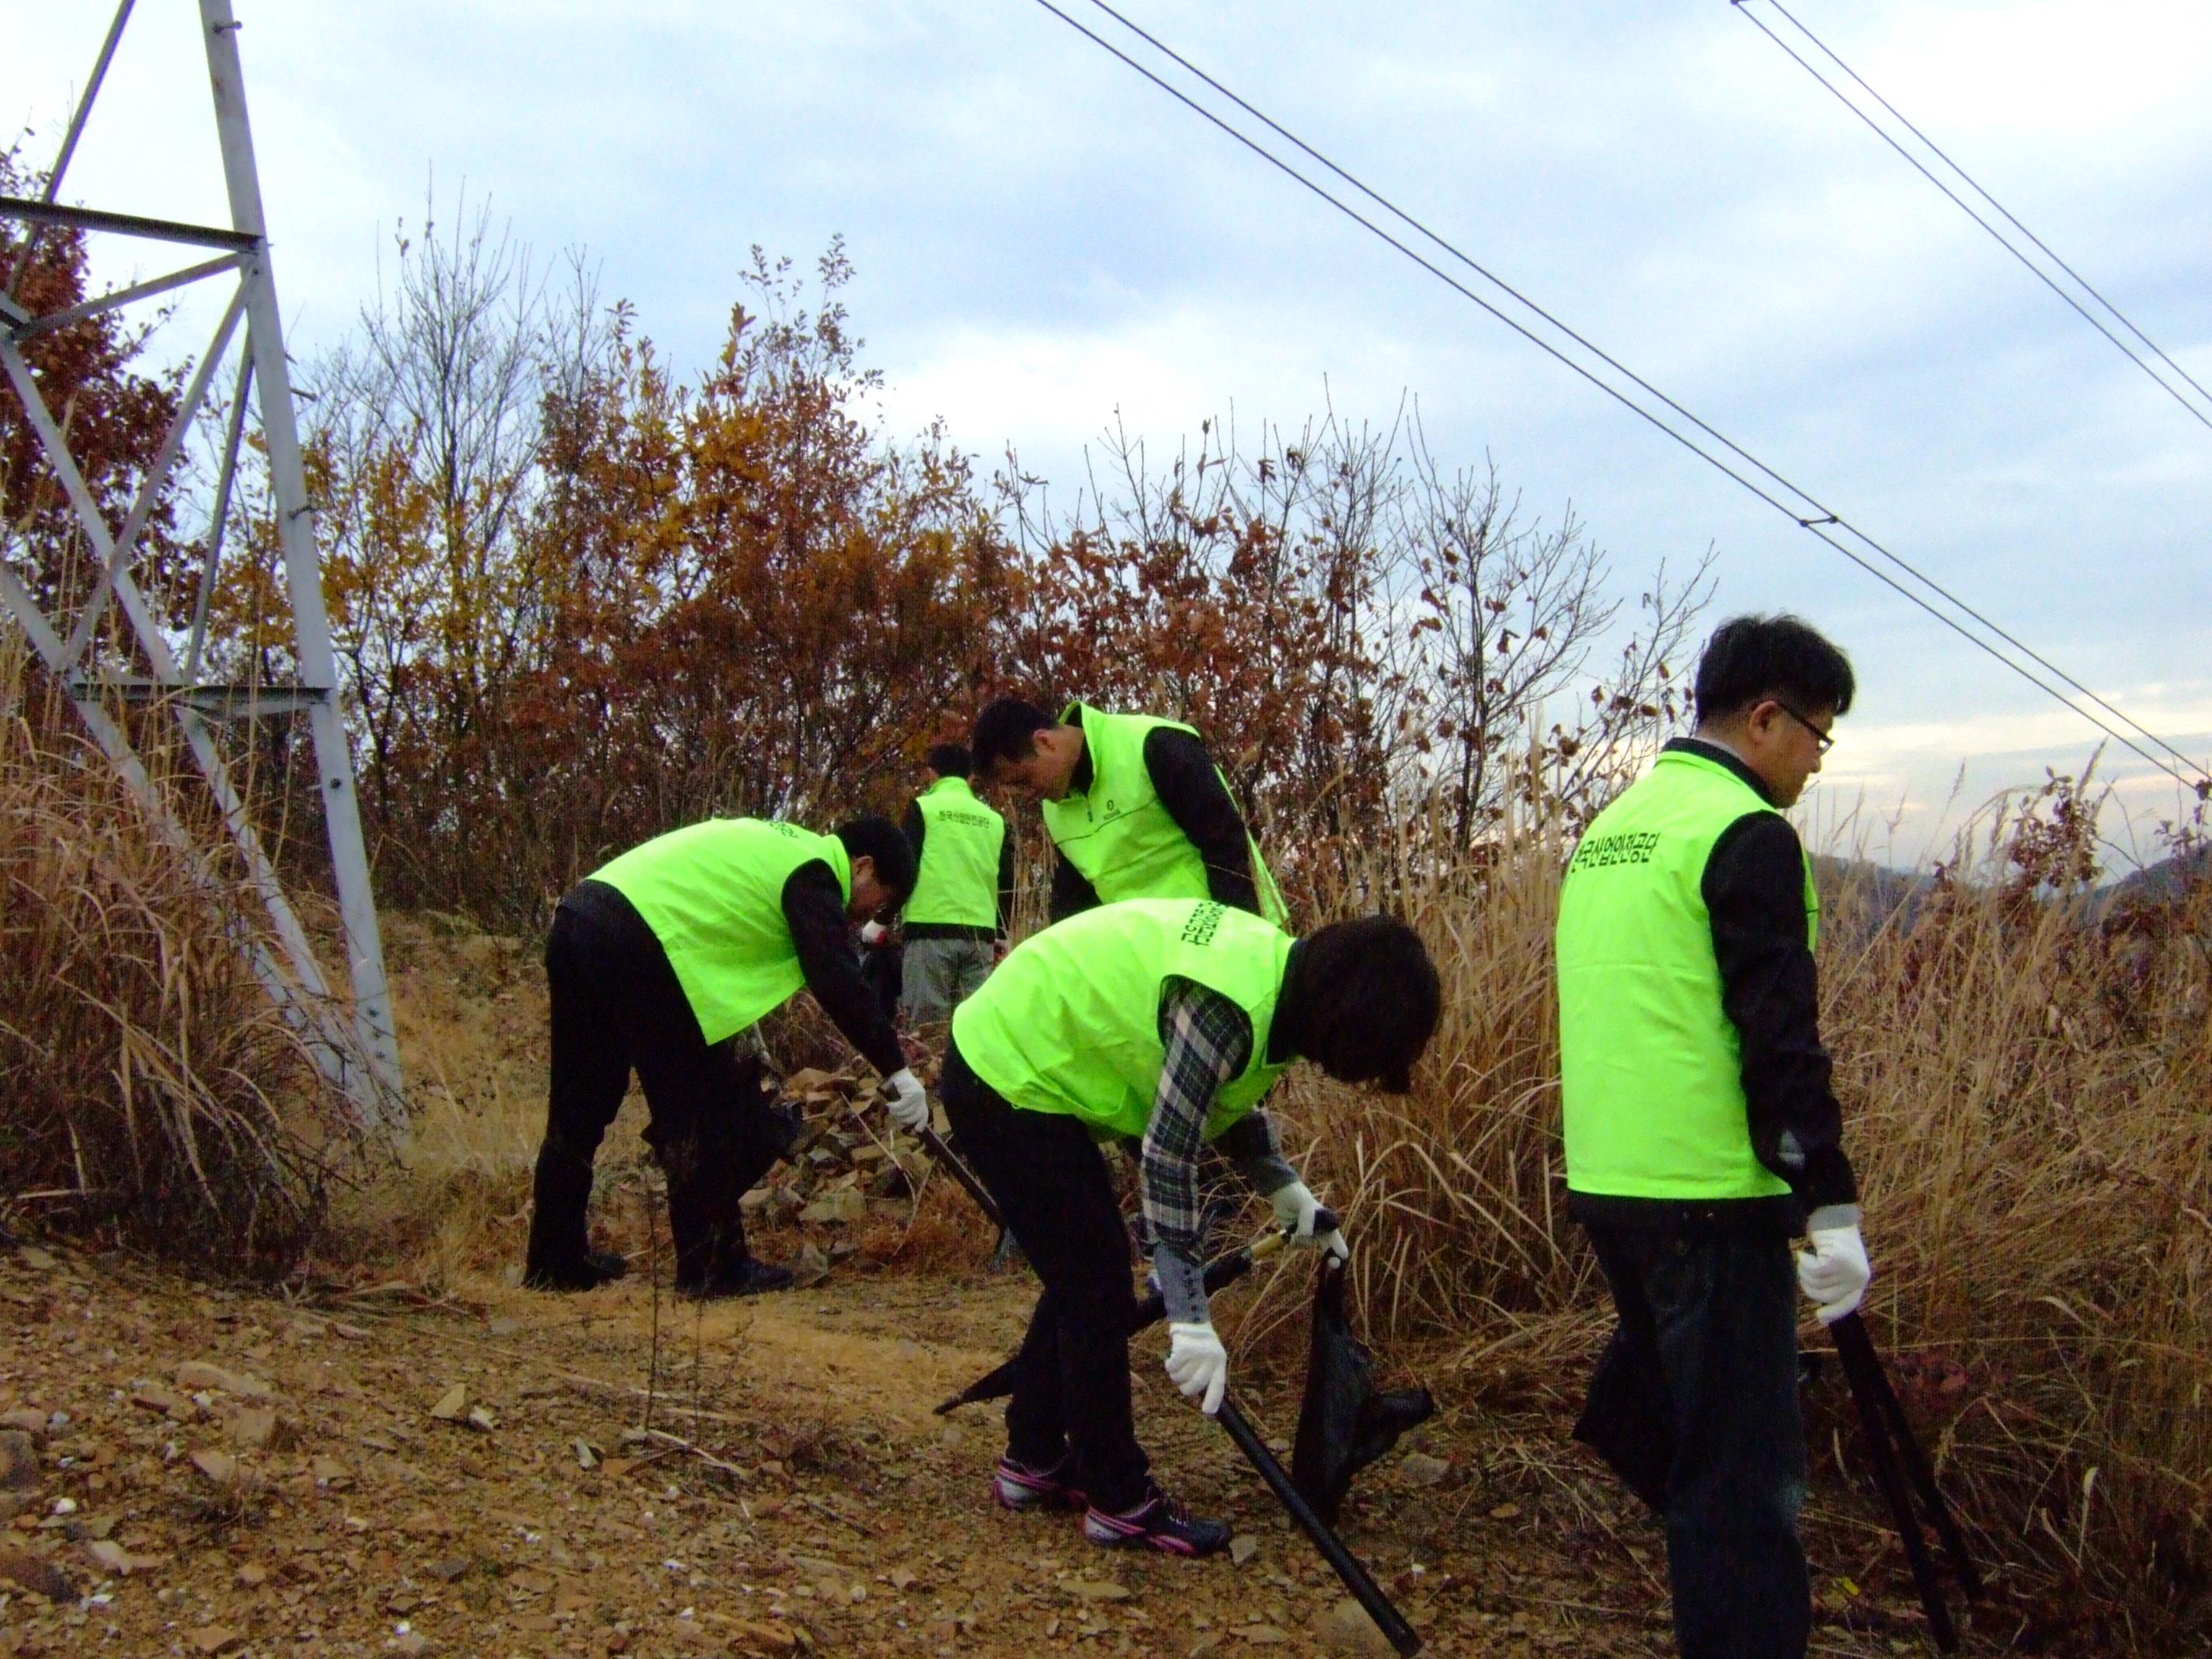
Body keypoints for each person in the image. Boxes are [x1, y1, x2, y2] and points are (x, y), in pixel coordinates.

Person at [928, 896, 1439, 1555]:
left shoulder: (1276, 973)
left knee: (1082, 1271)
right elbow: (1168, 1156)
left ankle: (1033, 1456)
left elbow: (1220, 1095)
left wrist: (1284, 1189)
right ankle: (1117, 1498)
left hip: (1021, 1057)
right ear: (1351, 1020)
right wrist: (1190, 1316)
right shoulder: (1229, 1006)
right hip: (1001, 1068)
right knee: (1095, 1282)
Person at [1556, 614, 1870, 1659]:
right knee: (1744, 1487)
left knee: (1698, 1449)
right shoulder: (1745, 832)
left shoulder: (1614, 828)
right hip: (1713, 1196)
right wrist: (1826, 1197)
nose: (1817, 763)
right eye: (1819, 737)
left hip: (1612, 1182)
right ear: (1767, 717)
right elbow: (1779, 1038)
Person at [523, 816, 920, 1299]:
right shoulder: (815, 874)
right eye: (883, 898)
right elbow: (837, 982)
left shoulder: (783, 844)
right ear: (863, 866)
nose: (875, 912)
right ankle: (713, 1267)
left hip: (582, 916)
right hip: (642, 939)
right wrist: (896, 1067)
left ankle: (554, 1258)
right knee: (699, 1109)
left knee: (580, 1101)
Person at [969, 697, 1285, 924]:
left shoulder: (1153, 744)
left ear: (1045, 742)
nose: (1027, 795)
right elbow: (1075, 902)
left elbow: (1226, 846)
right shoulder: (1056, 808)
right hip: (1154, 962)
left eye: (1024, 780)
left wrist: (1238, 940)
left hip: (1231, 935)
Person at [897, 742, 1014, 1024]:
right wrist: (1001, 933)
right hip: (981, 936)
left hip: (929, 931)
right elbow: (1007, 879)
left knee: (926, 1030)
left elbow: (904, 866)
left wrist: (881, 919)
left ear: (931, 774)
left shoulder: (923, 809)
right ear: (971, 777)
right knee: (979, 1028)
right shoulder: (994, 820)